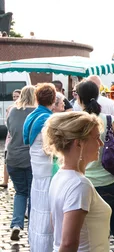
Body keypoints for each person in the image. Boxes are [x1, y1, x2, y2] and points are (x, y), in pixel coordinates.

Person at [77, 81, 114, 251]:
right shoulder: (109, 119)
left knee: (95, 235)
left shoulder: (78, 121)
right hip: (112, 182)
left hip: (88, 184)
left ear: (79, 99)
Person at [44, 111, 112, 251]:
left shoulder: (59, 176)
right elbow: (69, 243)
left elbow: (56, 225)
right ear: (79, 143)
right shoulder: (79, 184)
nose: (100, 143)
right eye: (96, 138)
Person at [23, 83, 57, 250]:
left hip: (36, 169)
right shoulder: (47, 119)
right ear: (52, 99)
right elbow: (47, 147)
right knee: (45, 211)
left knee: (37, 210)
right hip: (46, 170)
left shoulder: (32, 116)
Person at [6, 85, 36, 241]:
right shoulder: (36, 113)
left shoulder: (12, 111)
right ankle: (32, 227)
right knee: (33, 193)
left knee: (20, 192)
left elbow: (10, 131)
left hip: (13, 157)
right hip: (30, 158)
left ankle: (17, 224)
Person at [1, 89, 21, 189]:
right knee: (6, 160)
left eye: (17, 96)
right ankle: (5, 181)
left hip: (18, 139)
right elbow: (7, 123)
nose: (15, 98)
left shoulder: (23, 109)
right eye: (14, 96)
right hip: (10, 138)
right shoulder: (10, 108)